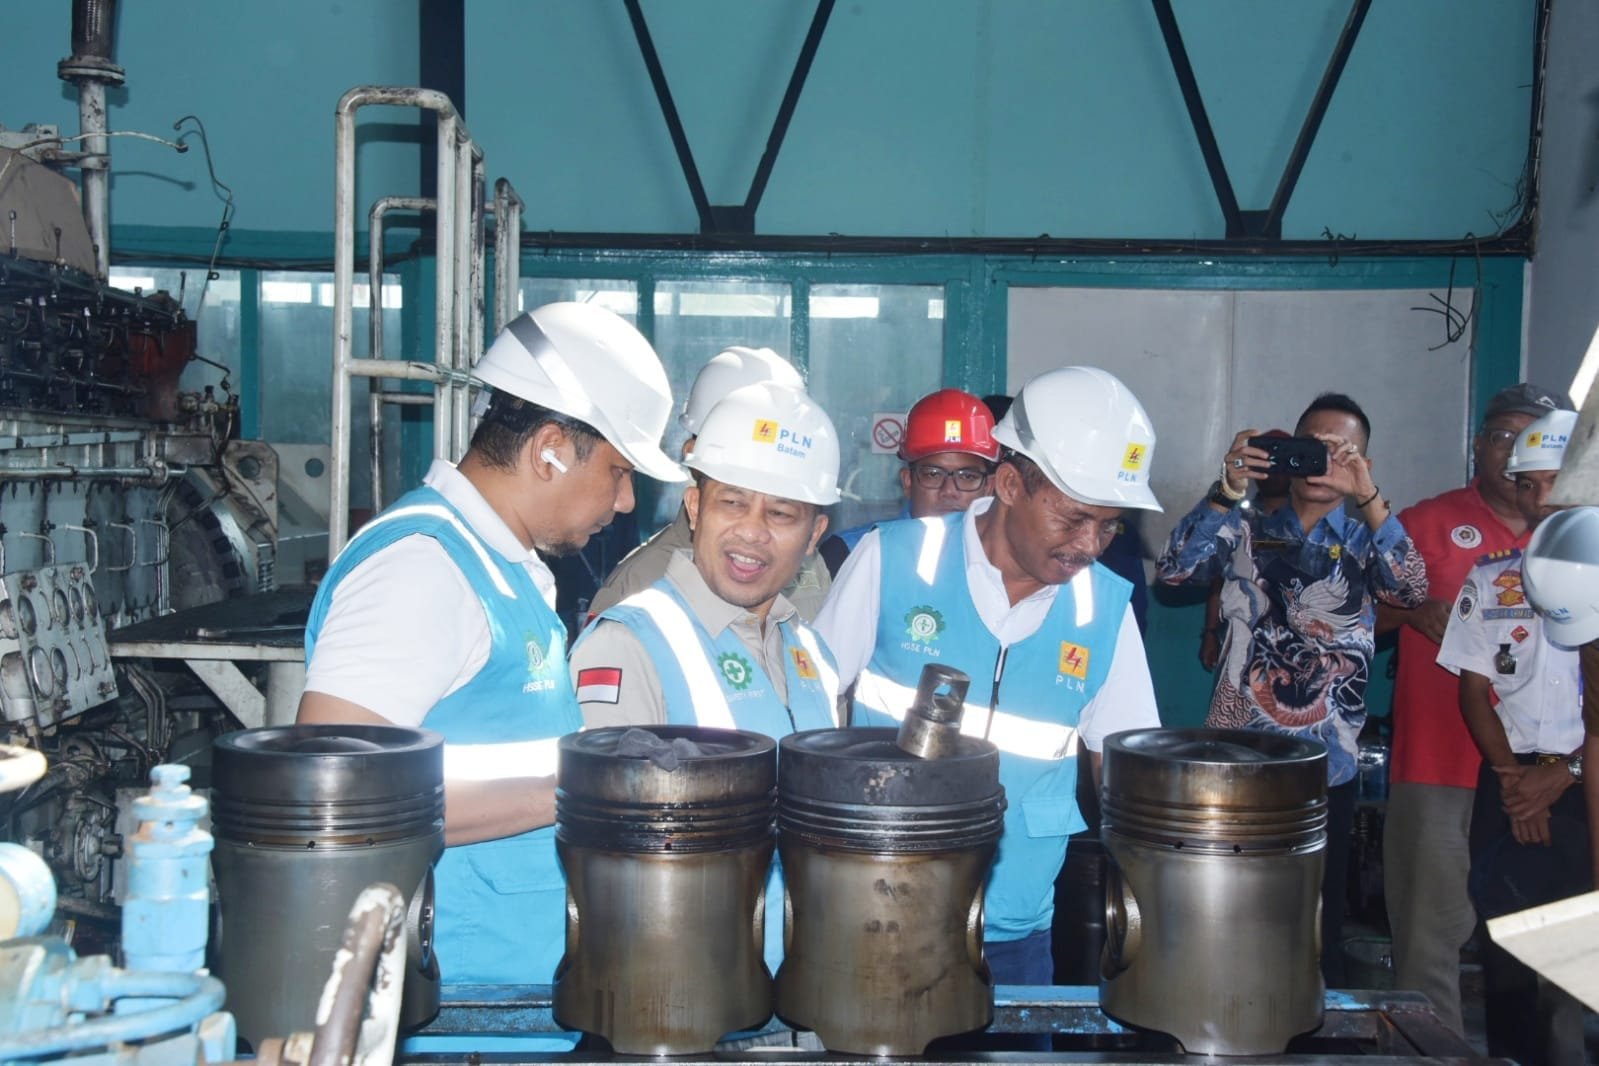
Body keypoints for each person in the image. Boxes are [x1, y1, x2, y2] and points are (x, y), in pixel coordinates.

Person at [298, 303, 685, 1007]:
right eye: (619, 470)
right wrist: (589, 789)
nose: (627, 501)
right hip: (452, 1005)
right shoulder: (424, 568)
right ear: (550, 448)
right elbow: (335, 795)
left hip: (512, 994)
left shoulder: (502, 566)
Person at [815, 365, 1164, 994]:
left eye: (1109, 524)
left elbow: (1130, 771)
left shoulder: (1104, 608)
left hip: (1017, 936)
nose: (1090, 544)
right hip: (878, 915)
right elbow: (808, 712)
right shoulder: (892, 559)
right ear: (1008, 483)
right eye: (1073, 518)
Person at [569, 382, 840, 996]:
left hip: (802, 985)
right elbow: (604, 856)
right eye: (732, 503)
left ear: (814, 533)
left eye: (781, 514)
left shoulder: (813, 656)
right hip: (679, 994)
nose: (752, 532)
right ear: (695, 508)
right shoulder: (629, 643)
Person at [1155, 393, 1427, 986]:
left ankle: (1314, 1025)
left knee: (1316, 920)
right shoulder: (1246, 526)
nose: (1321, 461)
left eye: (1340, 450)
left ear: (1363, 463)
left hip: (1326, 767)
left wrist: (1369, 499)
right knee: (1226, 910)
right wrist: (1227, 489)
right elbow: (1174, 570)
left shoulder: (1365, 538)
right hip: (1236, 759)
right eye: (1312, 445)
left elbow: (1411, 591)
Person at [1374, 382, 1572, 1034]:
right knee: (1429, 935)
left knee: (1551, 940)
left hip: (1554, 775)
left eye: (1531, 438)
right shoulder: (1424, 524)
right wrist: (1411, 612)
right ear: (1478, 445)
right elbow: (1355, 618)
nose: (1515, 452)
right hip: (1438, 764)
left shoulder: (1582, 536)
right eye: (1502, 435)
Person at [1437, 409, 1590, 1066]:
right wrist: (1513, 780)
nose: (1539, 496)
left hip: (1583, 781)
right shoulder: (1491, 576)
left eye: (1553, 481)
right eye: (1527, 483)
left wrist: (1565, 774)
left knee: (1576, 958)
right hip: (1510, 779)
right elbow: (1473, 691)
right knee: (1506, 946)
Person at [587, 346, 833, 621]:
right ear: (693, 454)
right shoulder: (640, 583)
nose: (753, 531)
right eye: (741, 460)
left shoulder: (808, 564)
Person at [818, 387, 999, 576]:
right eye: (933, 474)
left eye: (967, 477)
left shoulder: (1006, 565)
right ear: (907, 482)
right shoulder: (849, 554)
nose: (949, 491)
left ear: (989, 487)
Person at [1200, 429, 1292, 672]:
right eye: (1265, 463)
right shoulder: (1236, 519)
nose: (1273, 471)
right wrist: (1210, 632)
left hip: (1293, 650)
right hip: (1241, 646)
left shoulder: (1310, 523)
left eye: (1280, 463)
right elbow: (1218, 579)